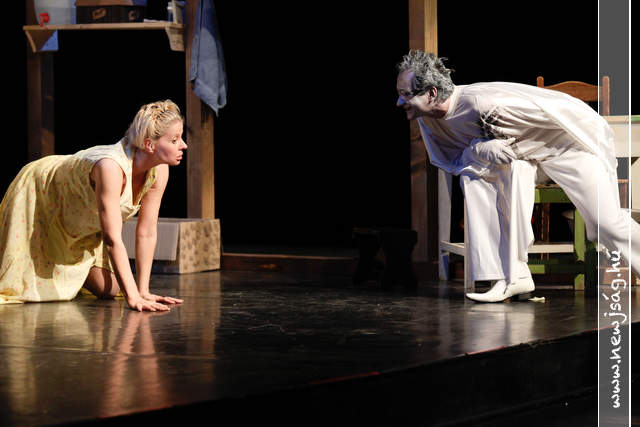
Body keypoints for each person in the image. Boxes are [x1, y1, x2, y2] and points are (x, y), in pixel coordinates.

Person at [396, 50, 640, 302]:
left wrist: (484, 148)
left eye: (406, 94)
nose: (400, 102)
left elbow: (567, 116)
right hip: (527, 158)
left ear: (431, 93)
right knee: (476, 176)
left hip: (569, 147)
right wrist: (477, 149)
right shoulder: (427, 119)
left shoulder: (486, 104)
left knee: (605, 223)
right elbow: (449, 159)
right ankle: (512, 276)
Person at [0, 100, 186, 311]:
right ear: (149, 145)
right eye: (174, 140)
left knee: (111, 290)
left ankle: (71, 270)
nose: (183, 145)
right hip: (43, 194)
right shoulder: (111, 168)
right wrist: (133, 298)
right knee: (25, 286)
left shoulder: (158, 170)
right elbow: (112, 238)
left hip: (80, 219)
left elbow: (147, 231)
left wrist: (142, 291)